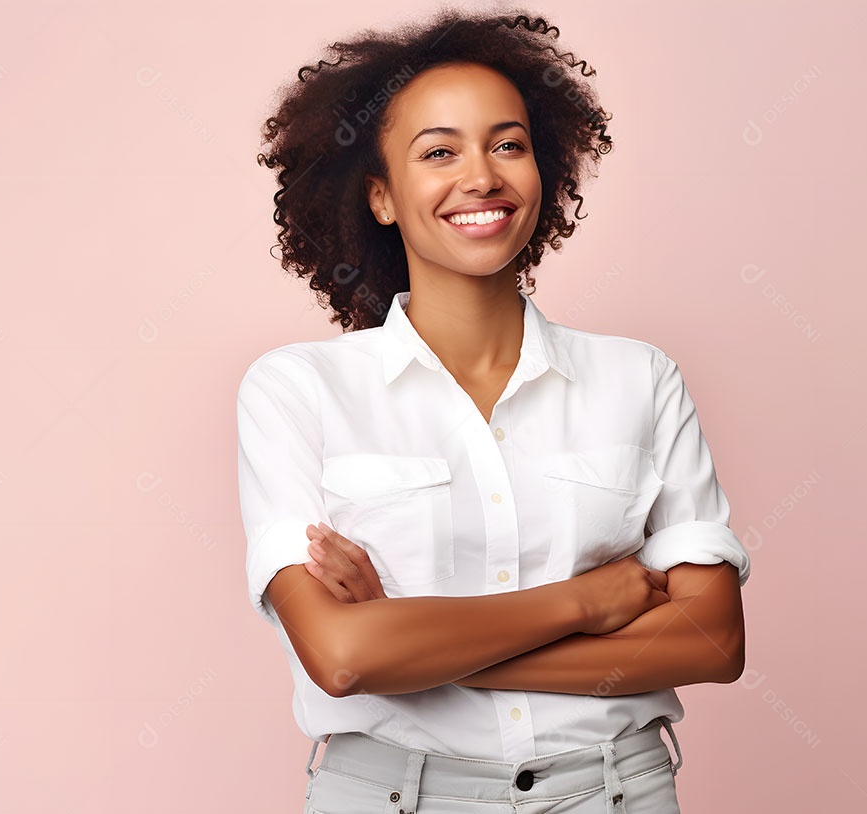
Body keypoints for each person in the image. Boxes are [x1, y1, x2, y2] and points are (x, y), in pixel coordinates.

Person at [237, 9, 751, 813]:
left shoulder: (639, 379)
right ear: (379, 195)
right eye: (439, 152)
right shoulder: (296, 391)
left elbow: (714, 642)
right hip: (391, 796)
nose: (481, 176)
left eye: (507, 144)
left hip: (616, 793)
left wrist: (406, 639)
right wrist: (583, 603)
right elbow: (339, 657)